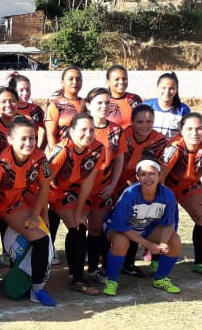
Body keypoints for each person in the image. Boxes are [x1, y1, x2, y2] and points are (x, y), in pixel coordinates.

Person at [0, 116, 56, 306]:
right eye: (23, 138)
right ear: (10, 139)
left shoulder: (40, 157)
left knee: (42, 239)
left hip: (12, 205)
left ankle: (37, 290)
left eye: (32, 138)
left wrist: (38, 215)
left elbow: (45, 187)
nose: (28, 143)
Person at [159, 112, 202, 278]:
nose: (194, 133)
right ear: (181, 130)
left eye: (199, 128)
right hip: (167, 187)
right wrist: (162, 202)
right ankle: (155, 259)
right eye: (189, 129)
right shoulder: (174, 147)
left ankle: (200, 262)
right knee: (162, 219)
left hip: (190, 186)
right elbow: (159, 178)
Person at [102, 159, 183, 296]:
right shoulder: (130, 195)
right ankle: (112, 281)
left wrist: (163, 243)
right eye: (143, 174)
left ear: (160, 175)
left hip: (145, 226)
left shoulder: (168, 195)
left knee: (174, 240)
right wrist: (149, 245)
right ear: (137, 177)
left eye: (152, 173)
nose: (148, 178)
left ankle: (160, 279)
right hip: (120, 227)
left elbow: (169, 224)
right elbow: (122, 226)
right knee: (121, 241)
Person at [46, 113, 103, 293]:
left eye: (92, 130)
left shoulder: (98, 148)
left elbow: (87, 184)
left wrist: (78, 212)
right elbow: (43, 183)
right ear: (71, 131)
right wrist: (41, 212)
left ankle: (76, 276)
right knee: (71, 228)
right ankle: (73, 278)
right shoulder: (62, 150)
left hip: (73, 193)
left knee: (78, 225)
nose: (88, 134)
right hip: (52, 192)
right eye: (83, 130)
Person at [114, 104, 167, 276]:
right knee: (112, 224)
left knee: (138, 219)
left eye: (149, 121)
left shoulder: (160, 141)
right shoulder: (122, 135)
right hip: (114, 184)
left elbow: (160, 169)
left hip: (140, 185)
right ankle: (107, 262)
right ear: (132, 122)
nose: (145, 125)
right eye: (140, 121)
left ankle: (129, 263)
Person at [80, 88, 125, 284]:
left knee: (97, 229)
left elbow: (120, 160)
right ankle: (76, 271)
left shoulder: (116, 130)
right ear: (88, 105)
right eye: (99, 102)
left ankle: (94, 269)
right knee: (79, 227)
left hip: (103, 188)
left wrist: (112, 185)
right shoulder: (81, 127)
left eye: (107, 103)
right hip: (80, 189)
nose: (104, 106)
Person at [44, 67, 83, 150]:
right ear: (62, 82)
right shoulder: (55, 104)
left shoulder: (86, 104)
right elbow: (51, 134)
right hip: (63, 152)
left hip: (83, 154)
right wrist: (55, 154)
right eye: (70, 79)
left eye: (78, 79)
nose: (75, 82)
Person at [144, 72, 191, 139]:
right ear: (157, 87)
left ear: (176, 90)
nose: (167, 92)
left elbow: (187, 134)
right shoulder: (146, 107)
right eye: (163, 88)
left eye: (171, 88)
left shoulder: (183, 110)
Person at [105, 65, 143, 130]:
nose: (121, 82)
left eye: (124, 79)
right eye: (117, 79)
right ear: (107, 82)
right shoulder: (102, 101)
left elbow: (142, 121)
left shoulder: (134, 99)